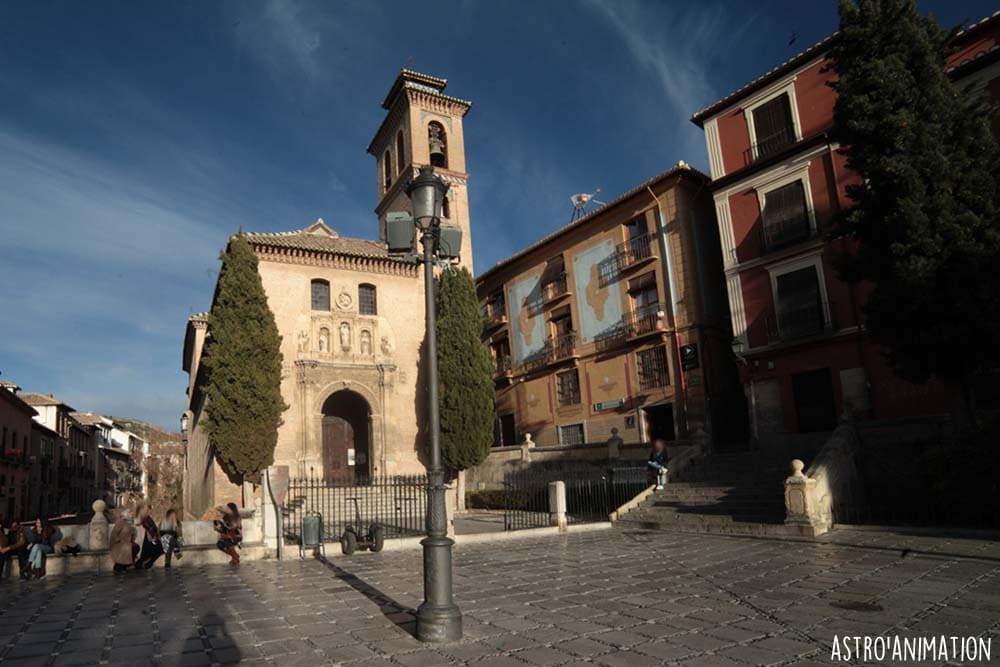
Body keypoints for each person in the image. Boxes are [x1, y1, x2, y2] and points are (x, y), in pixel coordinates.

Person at [134, 504, 163, 570]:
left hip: (150, 538)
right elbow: (143, 527)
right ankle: (144, 564)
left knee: (159, 549)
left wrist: (155, 535)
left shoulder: (147, 517)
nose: (147, 511)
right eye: (146, 509)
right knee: (147, 553)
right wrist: (153, 535)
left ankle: (146, 564)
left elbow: (153, 527)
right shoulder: (141, 518)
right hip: (147, 538)